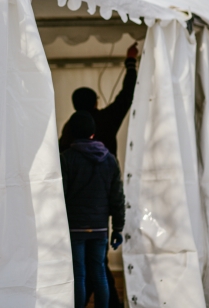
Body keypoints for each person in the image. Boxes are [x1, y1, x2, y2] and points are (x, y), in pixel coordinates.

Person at [60, 111, 125, 308]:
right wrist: (118, 229)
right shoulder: (110, 160)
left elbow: (60, 196)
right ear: (93, 133)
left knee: (78, 273)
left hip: (75, 227)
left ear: (71, 132)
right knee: (99, 272)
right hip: (99, 228)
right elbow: (117, 198)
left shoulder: (66, 159)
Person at [59, 43, 139, 157]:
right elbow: (127, 93)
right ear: (95, 103)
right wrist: (131, 61)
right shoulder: (106, 119)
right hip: (106, 173)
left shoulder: (69, 127)